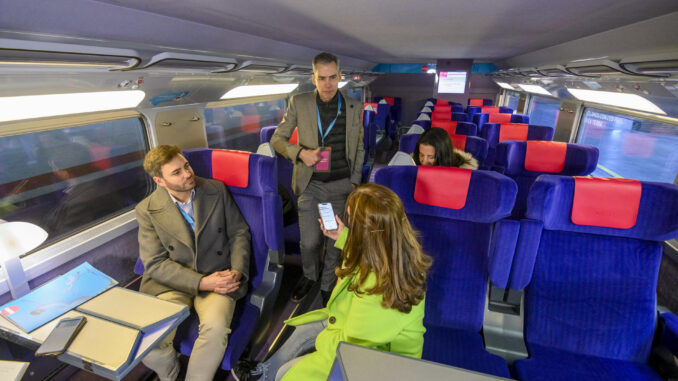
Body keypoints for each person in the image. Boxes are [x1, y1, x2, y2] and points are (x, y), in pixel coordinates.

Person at [233, 184, 432, 381]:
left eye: (351, 222)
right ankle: (263, 375)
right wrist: (343, 235)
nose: (348, 224)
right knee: (301, 332)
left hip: (376, 362)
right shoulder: (393, 249)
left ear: (366, 233)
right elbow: (368, 253)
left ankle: (273, 374)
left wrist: (324, 338)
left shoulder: (379, 286)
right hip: (354, 330)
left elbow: (350, 347)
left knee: (288, 373)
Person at [136, 145, 251, 381]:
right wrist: (200, 282)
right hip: (174, 282)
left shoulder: (215, 190)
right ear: (159, 180)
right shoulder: (146, 210)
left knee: (215, 329)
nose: (188, 174)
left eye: (186, 166)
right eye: (176, 173)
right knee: (149, 339)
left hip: (218, 274)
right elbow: (155, 263)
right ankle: (170, 372)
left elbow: (239, 233)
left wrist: (237, 270)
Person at [270, 52, 364, 304]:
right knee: (310, 242)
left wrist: (354, 181)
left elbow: (359, 146)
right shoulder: (299, 102)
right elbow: (277, 140)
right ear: (313, 78)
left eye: (333, 77)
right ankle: (310, 275)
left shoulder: (354, 106)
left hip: (340, 185)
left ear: (340, 76)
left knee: (334, 242)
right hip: (310, 185)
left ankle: (327, 281)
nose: (328, 84)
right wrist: (301, 153)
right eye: (322, 78)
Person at [43, 141, 125, 237]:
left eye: (54, 167)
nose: (53, 171)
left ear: (65, 173)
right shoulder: (100, 175)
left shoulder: (79, 202)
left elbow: (68, 236)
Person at [412, 127, 478, 169]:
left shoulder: (462, 175)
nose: (424, 161)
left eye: (431, 157)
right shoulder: (412, 165)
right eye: (421, 155)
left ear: (443, 156)